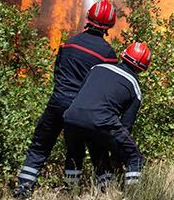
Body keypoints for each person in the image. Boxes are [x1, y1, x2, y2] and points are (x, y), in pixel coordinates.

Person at [13, 0, 119, 199]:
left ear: (88, 18)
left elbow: (57, 72)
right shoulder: (107, 54)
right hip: (83, 109)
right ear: (109, 25)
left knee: (39, 147)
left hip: (57, 103)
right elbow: (107, 87)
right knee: (91, 149)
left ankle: (23, 190)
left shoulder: (68, 44)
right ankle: (94, 194)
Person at [63, 41, 150, 189]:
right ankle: (133, 199)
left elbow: (81, 94)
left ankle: (72, 193)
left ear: (123, 55)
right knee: (134, 158)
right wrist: (117, 155)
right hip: (101, 120)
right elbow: (126, 126)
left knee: (76, 155)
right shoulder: (134, 86)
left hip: (71, 117)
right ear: (143, 68)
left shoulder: (97, 68)